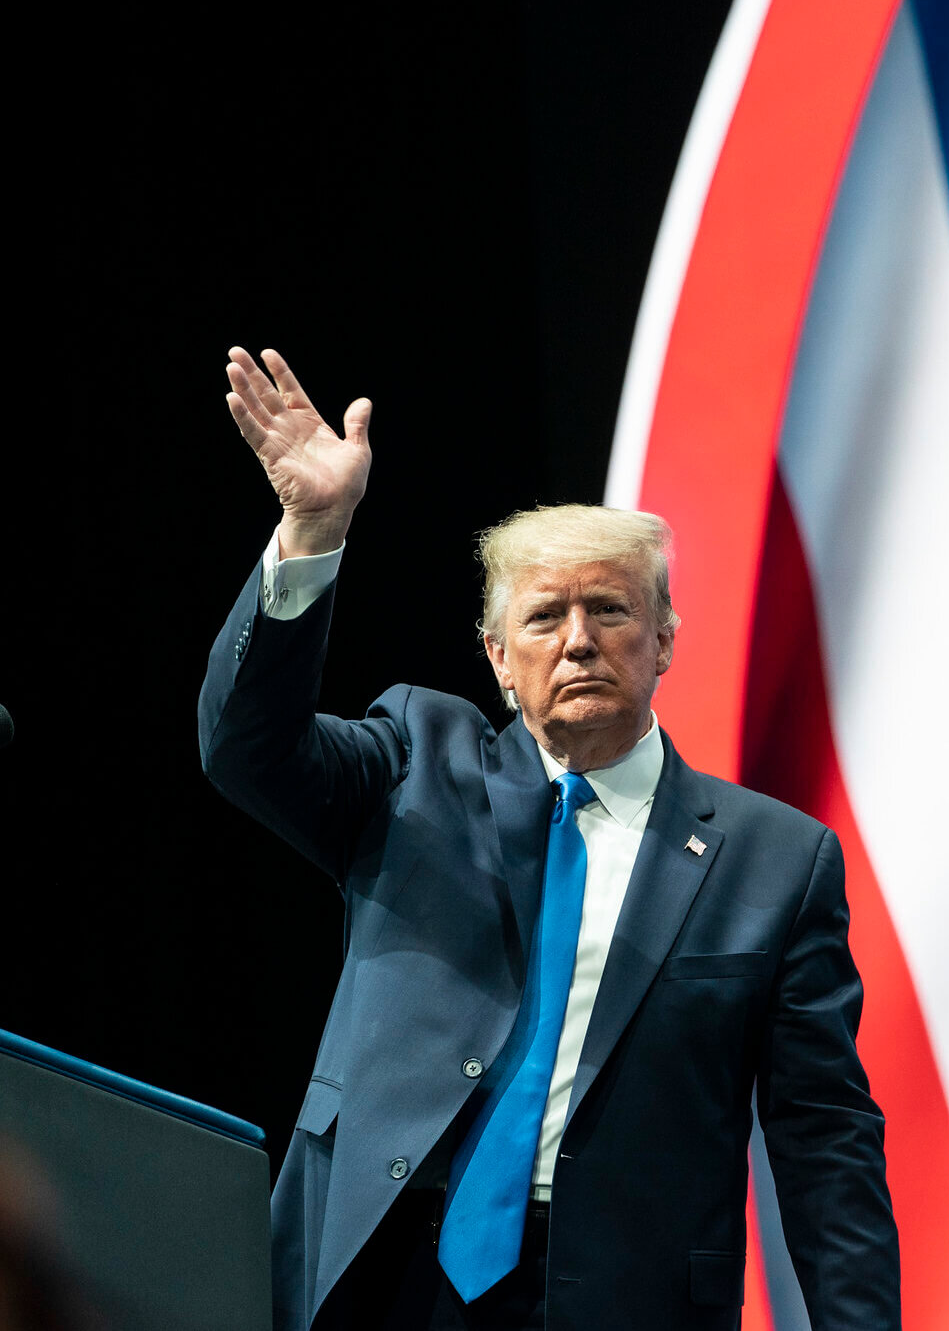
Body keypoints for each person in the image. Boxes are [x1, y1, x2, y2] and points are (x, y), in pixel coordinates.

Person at [200, 347, 899, 1331]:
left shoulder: (773, 862)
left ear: (662, 640)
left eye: (608, 611)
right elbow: (246, 749)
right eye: (543, 618)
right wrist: (313, 531)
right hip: (382, 1267)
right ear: (497, 657)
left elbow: (823, 1139)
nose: (576, 640)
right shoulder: (412, 765)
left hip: (622, 1291)